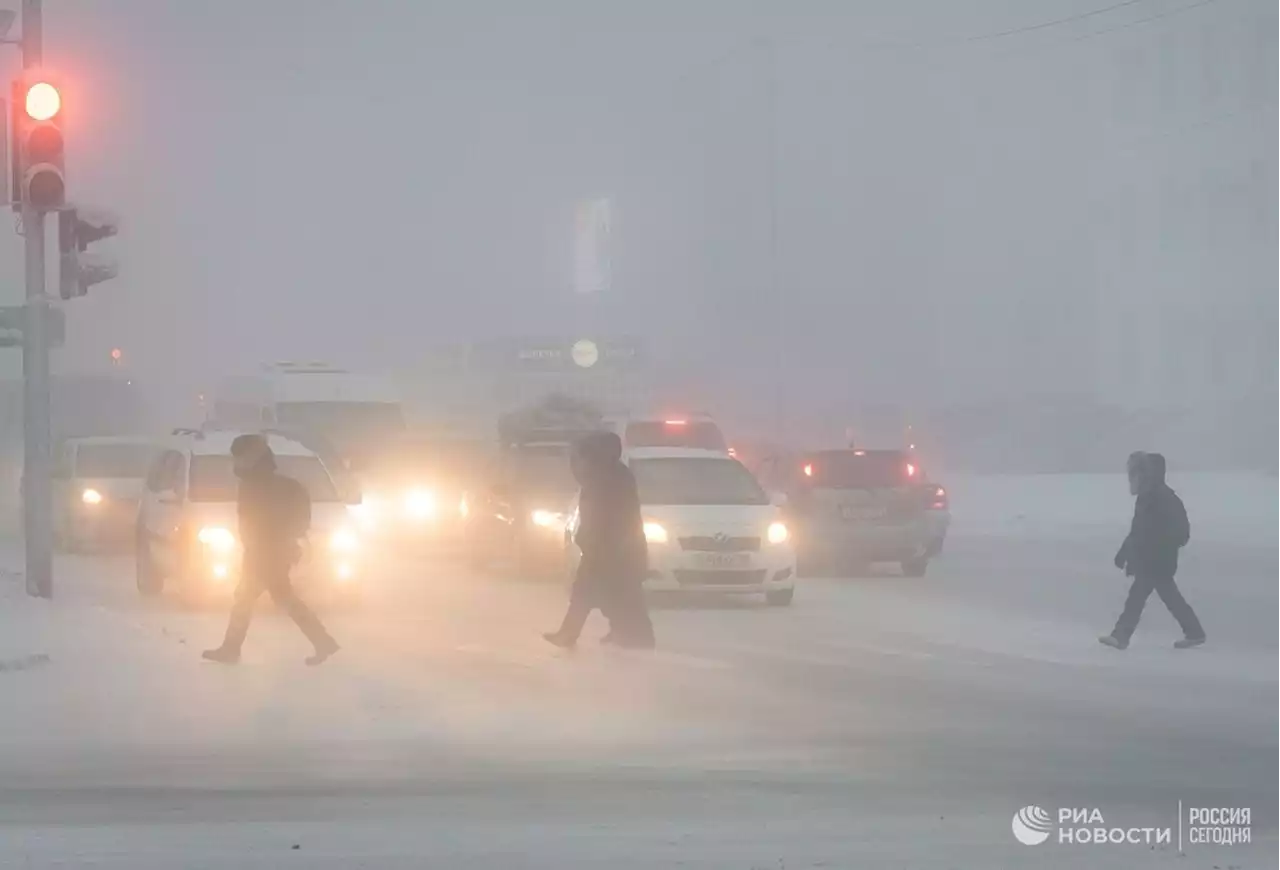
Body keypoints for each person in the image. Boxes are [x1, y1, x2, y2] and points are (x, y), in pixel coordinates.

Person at [203, 434, 340, 666]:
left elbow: (257, 523)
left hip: (265, 554)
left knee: (255, 598)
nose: (235, 463)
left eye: (238, 458)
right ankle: (322, 641)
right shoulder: (267, 484)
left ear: (249, 458)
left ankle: (232, 649)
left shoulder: (258, 486)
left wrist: (259, 548)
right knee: (270, 598)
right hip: (269, 552)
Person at [544, 431, 655, 650]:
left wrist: (591, 539)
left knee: (593, 592)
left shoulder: (606, 477)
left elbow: (606, 516)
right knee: (619, 592)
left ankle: (570, 635)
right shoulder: (610, 474)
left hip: (612, 548)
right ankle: (627, 633)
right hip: (612, 547)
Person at [1100, 451, 1205, 650]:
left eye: (1136, 473)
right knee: (1168, 597)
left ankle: (1121, 636)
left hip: (1157, 560)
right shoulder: (1146, 497)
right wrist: (1124, 553)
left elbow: (1182, 533)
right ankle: (1195, 632)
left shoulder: (1164, 498)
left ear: (1147, 473)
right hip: (1149, 559)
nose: (1132, 478)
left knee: (1137, 597)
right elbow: (1137, 530)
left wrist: (1161, 546)